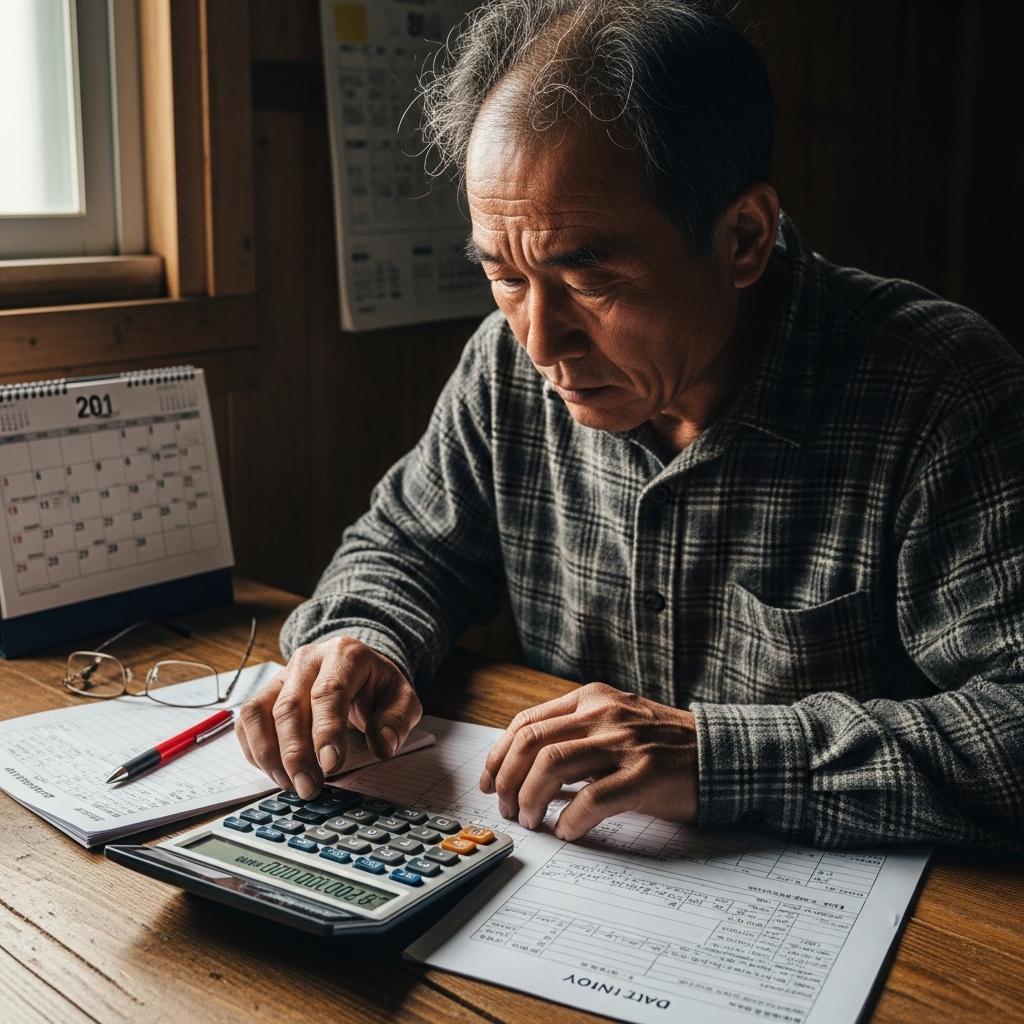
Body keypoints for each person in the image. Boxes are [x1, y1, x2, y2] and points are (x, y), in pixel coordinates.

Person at [235, 0, 1024, 850]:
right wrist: (362, 635)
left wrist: (723, 758)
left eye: (590, 276)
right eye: (502, 274)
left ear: (744, 238)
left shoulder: (942, 394)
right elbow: (406, 546)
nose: (540, 340)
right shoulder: (507, 367)